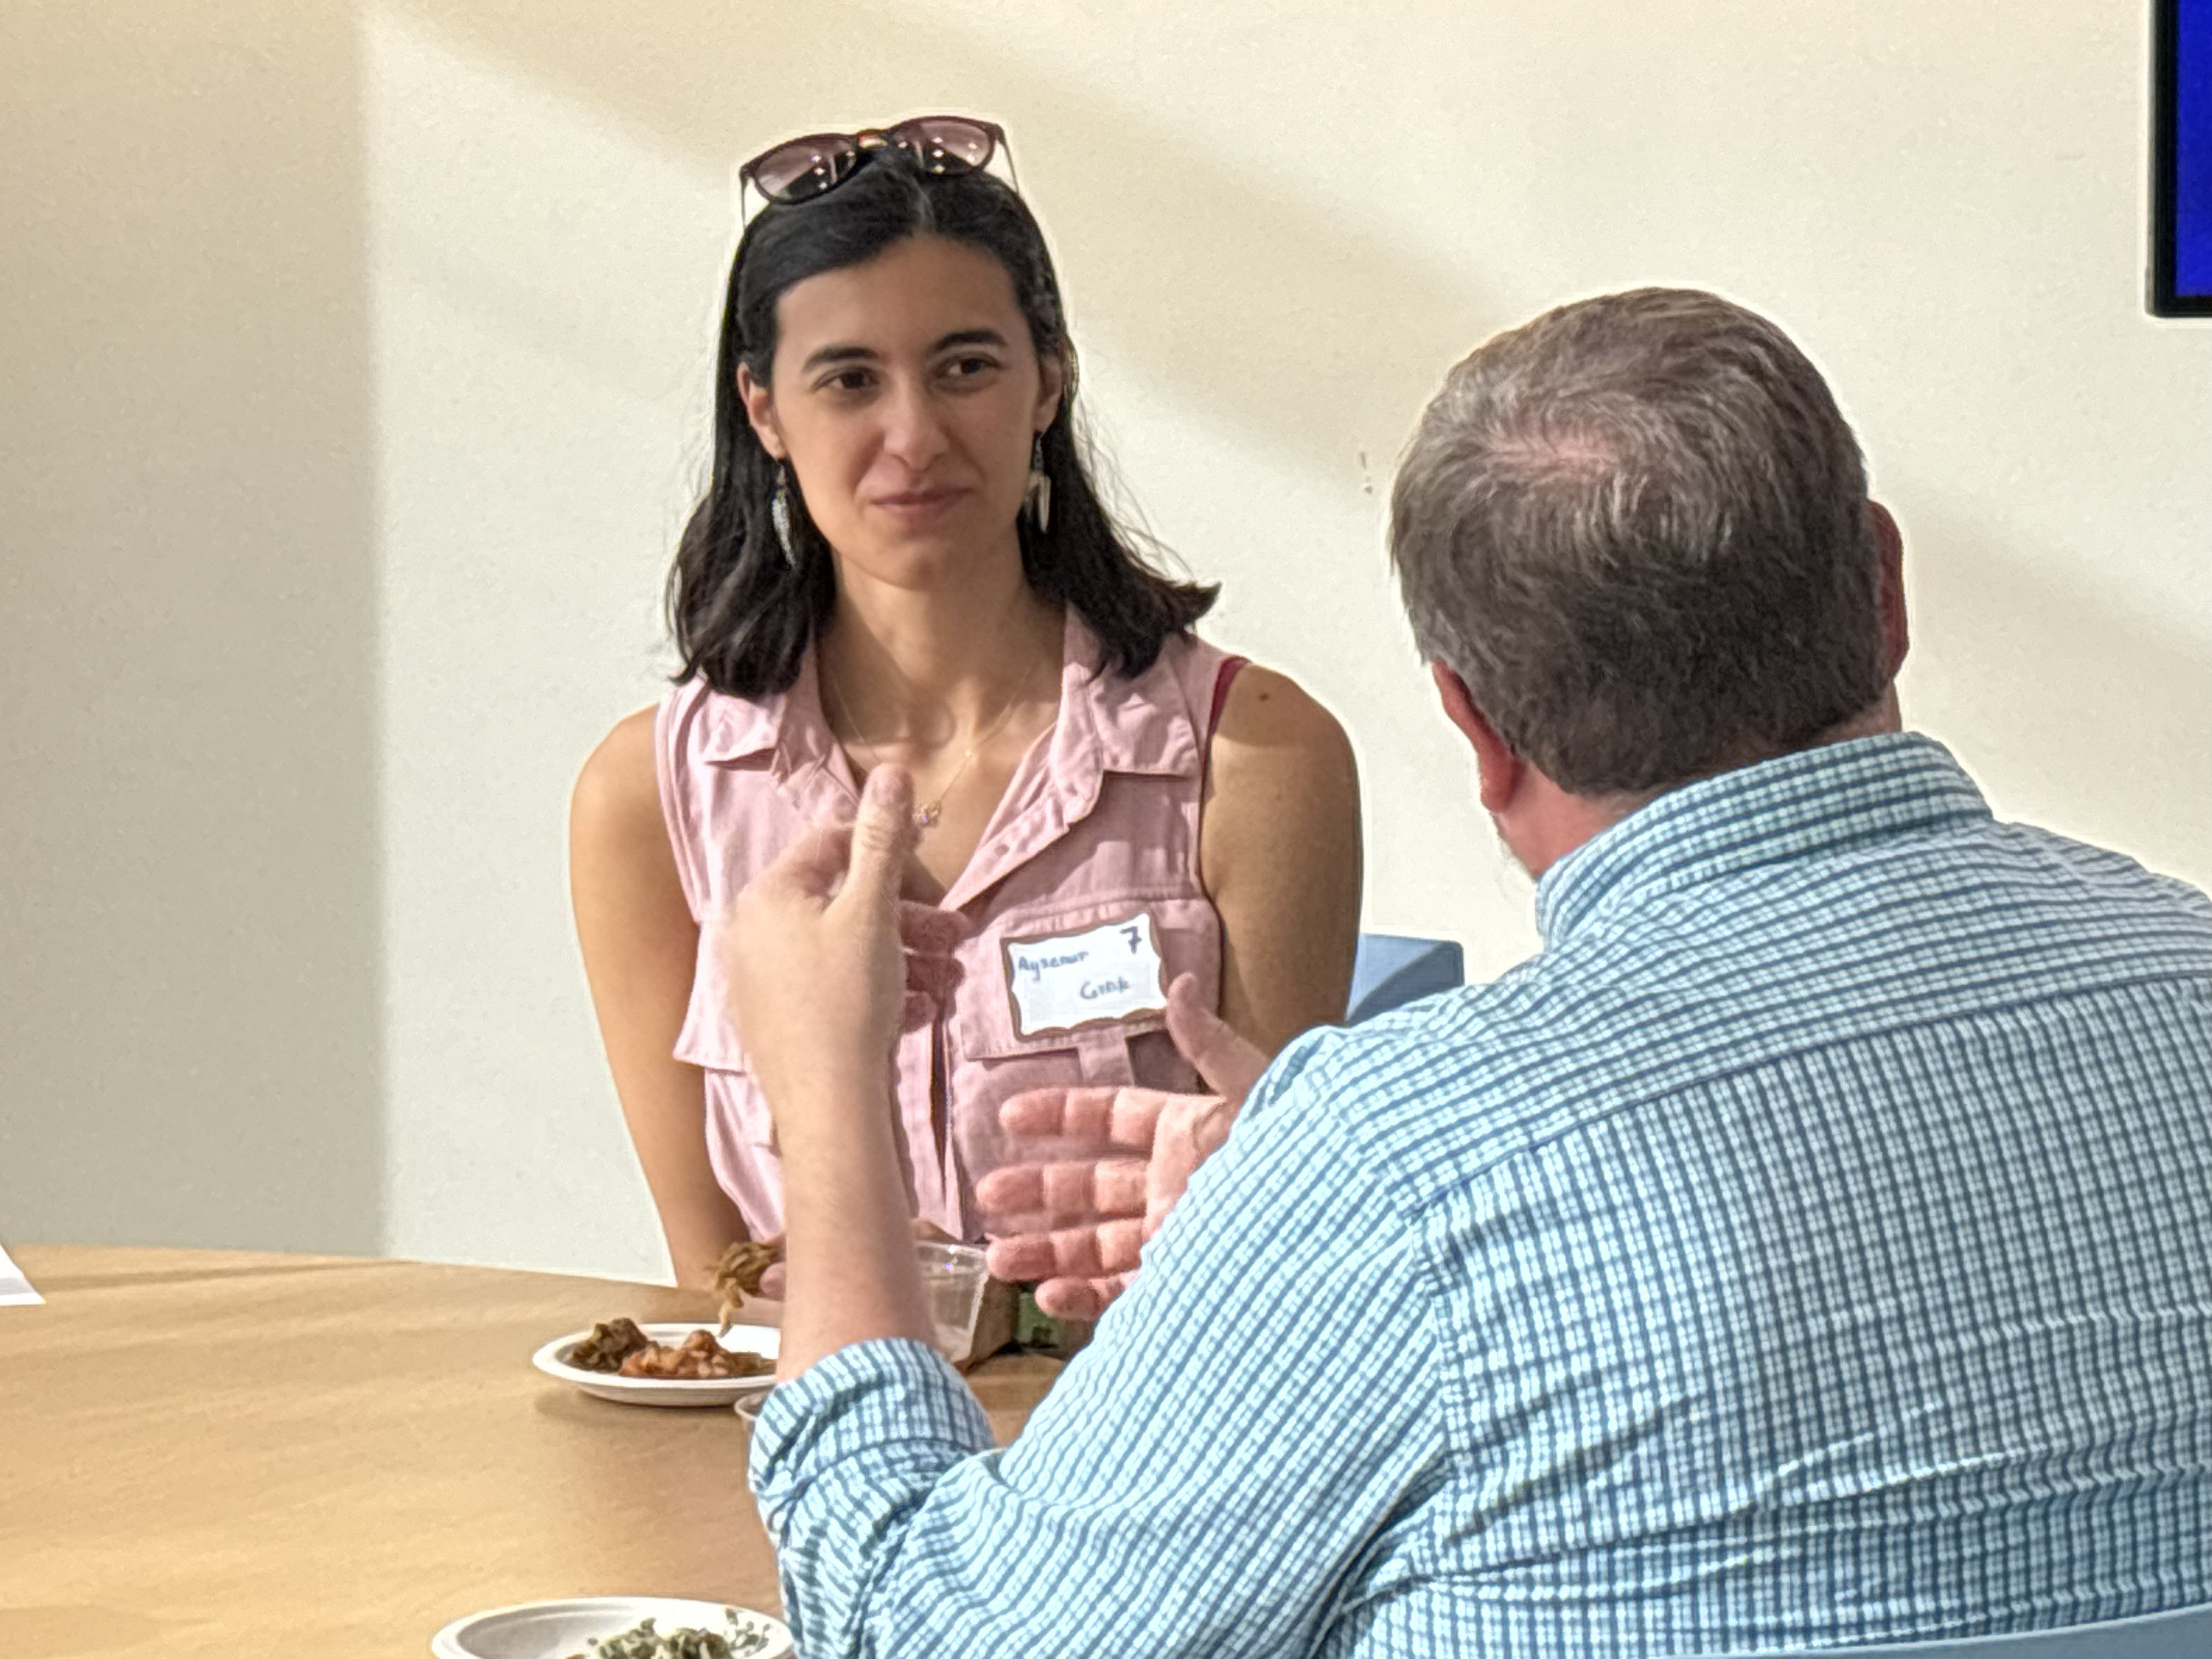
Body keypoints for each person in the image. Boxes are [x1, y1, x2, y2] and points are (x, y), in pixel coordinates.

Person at [725, 288, 2212, 1655]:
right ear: (1884, 587)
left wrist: (831, 1113)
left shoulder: (1400, 1161)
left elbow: (922, 1640)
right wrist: (1278, 1236)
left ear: (1474, 724)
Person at [567, 116, 1362, 1300]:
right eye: (848, 380)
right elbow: (713, 1288)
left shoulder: (1258, 758)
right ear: (764, 411)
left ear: (1051, 377)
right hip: (798, 1456)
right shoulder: (646, 800)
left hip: (1144, 1460)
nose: (914, 436)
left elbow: (1274, 1251)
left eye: (966, 367)